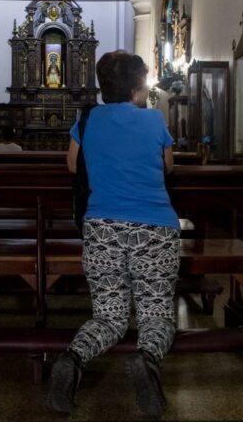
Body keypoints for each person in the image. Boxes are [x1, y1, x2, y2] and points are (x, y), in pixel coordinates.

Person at [47, 51, 180, 418]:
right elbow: (167, 166)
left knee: (109, 317)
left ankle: (73, 359)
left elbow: (73, 164)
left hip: (101, 228)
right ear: (138, 87)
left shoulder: (88, 121)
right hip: (154, 228)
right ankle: (148, 360)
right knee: (155, 314)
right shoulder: (154, 120)